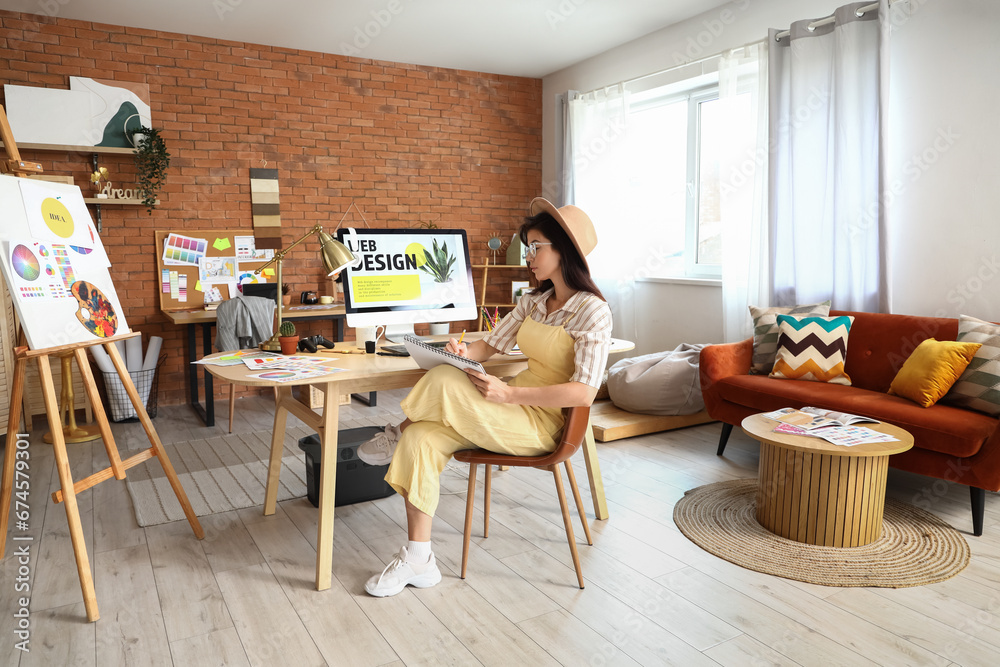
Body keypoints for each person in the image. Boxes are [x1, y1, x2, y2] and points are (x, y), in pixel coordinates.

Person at [358, 197, 613, 597]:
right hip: (505, 410)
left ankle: (394, 429)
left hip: (541, 424)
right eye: (527, 247)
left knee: (443, 381)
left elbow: (584, 391)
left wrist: (510, 393)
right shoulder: (533, 301)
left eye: (536, 247)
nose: (529, 256)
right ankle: (420, 558)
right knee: (421, 437)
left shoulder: (592, 312)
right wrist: (463, 354)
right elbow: (487, 346)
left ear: (564, 249)